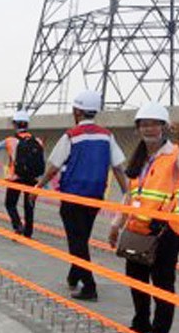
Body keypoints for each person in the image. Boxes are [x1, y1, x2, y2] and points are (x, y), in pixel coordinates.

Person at [109, 102, 179, 333]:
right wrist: (117, 223)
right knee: (136, 279)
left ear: (163, 127)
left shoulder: (174, 154)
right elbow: (130, 195)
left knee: (162, 283)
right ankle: (141, 324)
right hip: (137, 228)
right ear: (138, 128)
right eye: (144, 124)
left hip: (165, 230)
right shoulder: (140, 157)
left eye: (154, 124)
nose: (148, 129)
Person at [32, 90, 127, 301]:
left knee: (76, 242)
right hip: (95, 197)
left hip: (72, 197)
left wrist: (38, 187)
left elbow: (53, 167)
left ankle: (89, 286)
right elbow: (118, 167)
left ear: (77, 111)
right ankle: (74, 276)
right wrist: (127, 194)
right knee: (81, 238)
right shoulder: (107, 136)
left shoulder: (71, 135)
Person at [0, 111, 44, 237]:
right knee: (29, 206)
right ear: (27, 124)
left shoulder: (10, 140)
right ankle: (28, 233)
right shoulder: (38, 141)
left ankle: (18, 225)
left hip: (15, 178)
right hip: (32, 178)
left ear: (14, 124)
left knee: (10, 204)